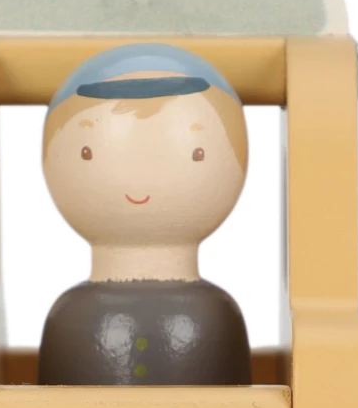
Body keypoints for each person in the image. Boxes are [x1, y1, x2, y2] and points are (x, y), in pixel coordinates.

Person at [37, 43, 252, 387]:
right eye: (87, 152)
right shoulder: (71, 316)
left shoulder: (216, 315)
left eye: (196, 152)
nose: (141, 176)